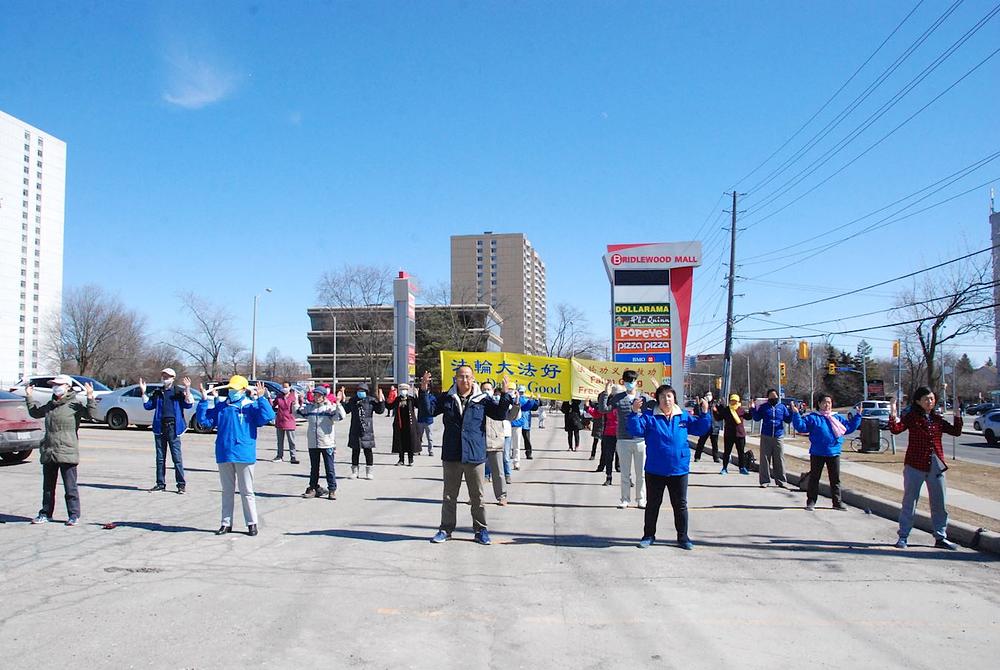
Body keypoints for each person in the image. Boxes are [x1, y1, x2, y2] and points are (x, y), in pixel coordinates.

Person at [419, 366, 513, 545]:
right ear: (455, 378)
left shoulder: (482, 399)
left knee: (477, 496)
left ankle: (481, 530)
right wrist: (424, 390)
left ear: (473, 379)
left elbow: (500, 414)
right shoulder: (447, 397)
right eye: (461, 377)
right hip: (452, 454)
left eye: (468, 377)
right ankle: (445, 529)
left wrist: (505, 393)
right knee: (449, 496)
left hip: (474, 454)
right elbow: (428, 412)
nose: (464, 380)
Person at [627, 385, 711, 549]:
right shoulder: (650, 417)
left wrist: (706, 413)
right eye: (663, 396)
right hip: (655, 469)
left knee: (680, 505)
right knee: (653, 504)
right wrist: (634, 413)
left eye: (670, 396)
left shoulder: (683, 416)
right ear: (657, 399)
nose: (667, 400)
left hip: (679, 469)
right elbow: (635, 430)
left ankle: (683, 537)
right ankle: (648, 535)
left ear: (674, 399)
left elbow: (701, 429)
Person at [196, 376, 276, 536]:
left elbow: (268, 417)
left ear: (243, 390)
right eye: (231, 388)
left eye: (236, 389)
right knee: (227, 491)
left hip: (244, 454)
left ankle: (252, 523)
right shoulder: (222, 407)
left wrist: (261, 398)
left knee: (247, 490)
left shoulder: (250, 407)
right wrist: (203, 401)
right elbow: (204, 422)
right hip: (224, 452)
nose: (232, 391)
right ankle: (226, 523)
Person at [888, 387, 963, 550]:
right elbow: (896, 429)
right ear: (918, 401)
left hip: (936, 466)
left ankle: (940, 537)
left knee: (939, 503)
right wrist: (893, 412)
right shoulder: (912, 418)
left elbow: (956, 432)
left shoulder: (937, 419)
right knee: (910, 501)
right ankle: (903, 536)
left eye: (932, 399)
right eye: (926, 399)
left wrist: (958, 413)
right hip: (915, 465)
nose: (930, 402)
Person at [27, 376, 97, 526]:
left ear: (67, 387)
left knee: (70, 487)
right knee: (48, 487)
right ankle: (45, 513)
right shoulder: (50, 405)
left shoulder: (74, 405)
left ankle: (73, 514)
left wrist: (90, 397)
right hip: (50, 450)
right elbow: (35, 413)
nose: (55, 387)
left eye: (58, 385)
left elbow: (91, 414)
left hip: (67, 450)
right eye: (53, 385)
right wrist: (29, 396)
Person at [790, 393, 862, 511]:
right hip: (817, 453)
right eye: (824, 402)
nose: (827, 405)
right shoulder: (813, 417)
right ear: (819, 404)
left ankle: (837, 502)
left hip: (834, 453)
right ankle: (811, 501)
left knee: (835, 479)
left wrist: (858, 416)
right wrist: (796, 414)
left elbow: (848, 428)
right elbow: (801, 427)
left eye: (829, 402)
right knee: (814, 478)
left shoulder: (836, 418)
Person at [598, 371, 654, 509]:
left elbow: (658, 407)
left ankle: (641, 499)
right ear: (623, 382)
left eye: (633, 380)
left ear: (637, 381)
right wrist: (606, 392)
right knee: (625, 473)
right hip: (623, 439)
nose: (630, 383)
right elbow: (604, 409)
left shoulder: (643, 397)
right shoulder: (618, 398)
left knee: (641, 473)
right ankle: (625, 499)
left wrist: (658, 390)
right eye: (628, 380)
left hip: (640, 439)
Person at [140, 368, 193, 494]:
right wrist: (143, 392)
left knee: (177, 458)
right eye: (163, 376)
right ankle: (160, 484)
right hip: (160, 426)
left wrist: (187, 389)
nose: (165, 378)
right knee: (160, 458)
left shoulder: (178, 392)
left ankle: (181, 485)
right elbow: (148, 406)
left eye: (168, 376)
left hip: (173, 427)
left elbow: (188, 404)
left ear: (173, 378)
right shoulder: (158, 392)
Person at [297, 385, 346, 499]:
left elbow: (341, 416)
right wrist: (297, 402)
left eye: (319, 395)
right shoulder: (310, 407)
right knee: (314, 468)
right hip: (313, 443)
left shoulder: (330, 408)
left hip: (327, 443)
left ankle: (332, 490)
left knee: (329, 468)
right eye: (315, 395)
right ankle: (313, 488)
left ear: (324, 396)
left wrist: (338, 403)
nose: (316, 397)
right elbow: (297, 413)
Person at [481, 380, 519, 506]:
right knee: (477, 473)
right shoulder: (478, 404)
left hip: (495, 441)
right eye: (483, 389)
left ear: (492, 391)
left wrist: (510, 397)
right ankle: (476, 496)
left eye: (488, 389)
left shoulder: (498, 405)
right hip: (479, 442)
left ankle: (502, 496)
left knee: (498, 472)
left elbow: (509, 414)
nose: (486, 392)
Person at [342, 382, 385, 479]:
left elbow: (380, 410)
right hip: (355, 429)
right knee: (355, 451)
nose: (361, 392)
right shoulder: (353, 400)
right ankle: (354, 471)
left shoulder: (370, 400)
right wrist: (343, 400)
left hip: (367, 430)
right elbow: (346, 410)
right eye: (359, 391)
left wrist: (381, 400)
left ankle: (369, 472)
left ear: (366, 392)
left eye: (363, 391)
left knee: (368, 451)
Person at [751, 389, 791, 488]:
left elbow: (788, 419)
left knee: (779, 459)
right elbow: (756, 418)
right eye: (771, 397)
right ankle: (764, 481)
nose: (774, 399)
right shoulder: (764, 407)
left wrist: (793, 411)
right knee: (765, 459)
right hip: (766, 436)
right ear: (768, 398)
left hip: (778, 436)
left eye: (775, 397)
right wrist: (752, 408)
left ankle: (781, 481)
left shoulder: (782, 407)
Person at [590, 386, 620, 485]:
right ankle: (608, 477)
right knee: (608, 456)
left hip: (621, 434)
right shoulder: (607, 406)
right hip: (608, 434)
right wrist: (606, 391)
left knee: (623, 457)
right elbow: (600, 411)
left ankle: (627, 478)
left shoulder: (623, 405)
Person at [714, 393, 749, 475]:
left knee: (741, 452)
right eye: (732, 401)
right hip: (729, 434)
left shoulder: (741, 410)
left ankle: (742, 468)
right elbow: (718, 418)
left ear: (738, 401)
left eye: (735, 401)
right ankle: (724, 468)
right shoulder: (726, 410)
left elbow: (748, 417)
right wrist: (715, 411)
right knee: (727, 452)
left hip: (740, 434)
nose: (733, 402)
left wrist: (752, 409)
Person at [387, 383, 420, 466]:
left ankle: (410, 459)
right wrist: (386, 400)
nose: (403, 391)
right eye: (401, 390)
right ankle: (401, 459)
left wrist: (417, 395)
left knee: (410, 442)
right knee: (400, 442)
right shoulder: (397, 399)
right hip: (400, 424)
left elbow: (419, 405)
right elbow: (390, 406)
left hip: (410, 425)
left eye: (404, 390)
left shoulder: (411, 399)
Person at [271, 381, 301, 464]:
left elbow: (298, 406)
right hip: (280, 420)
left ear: (290, 387)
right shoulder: (279, 396)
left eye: (286, 387)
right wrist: (269, 398)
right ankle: (279, 456)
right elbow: (273, 405)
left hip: (290, 420)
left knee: (291, 441)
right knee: (280, 441)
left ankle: (293, 456)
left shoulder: (293, 396)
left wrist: (299, 400)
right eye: (283, 387)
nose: (284, 388)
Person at [511, 387, 539, 468]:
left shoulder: (526, 399)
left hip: (525, 423)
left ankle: (528, 453)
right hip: (516, 423)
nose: (521, 393)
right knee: (515, 440)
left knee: (526, 439)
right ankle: (514, 454)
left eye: (523, 392)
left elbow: (534, 407)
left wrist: (536, 400)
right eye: (520, 392)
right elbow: (524, 405)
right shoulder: (517, 399)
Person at [693, 398, 721, 463]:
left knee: (715, 444)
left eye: (710, 395)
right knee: (701, 443)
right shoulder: (702, 404)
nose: (709, 397)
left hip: (714, 427)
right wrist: (697, 404)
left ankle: (716, 457)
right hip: (705, 427)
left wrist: (717, 409)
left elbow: (720, 415)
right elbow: (697, 413)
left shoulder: (715, 405)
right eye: (707, 395)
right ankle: (697, 457)